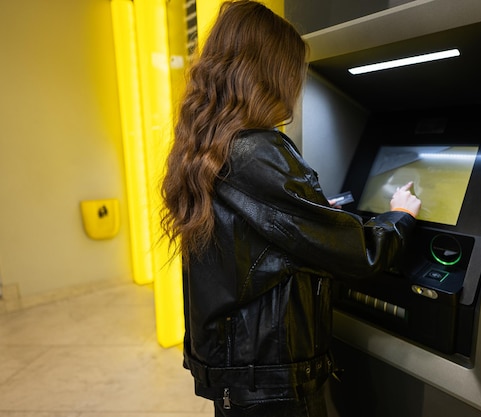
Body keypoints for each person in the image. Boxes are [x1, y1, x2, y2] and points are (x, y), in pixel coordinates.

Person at [160, 1, 421, 416]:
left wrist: (314, 212)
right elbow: (360, 253)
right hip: (273, 381)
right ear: (271, 74)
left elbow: (250, 234)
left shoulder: (209, 146)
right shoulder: (260, 150)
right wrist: (400, 217)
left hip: (241, 375)